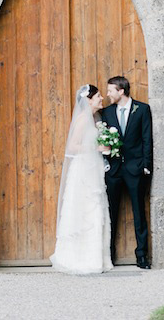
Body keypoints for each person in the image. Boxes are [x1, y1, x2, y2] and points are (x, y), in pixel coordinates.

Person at [50, 84, 112, 274]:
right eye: (98, 96)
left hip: (93, 169)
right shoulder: (83, 119)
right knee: (83, 210)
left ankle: (97, 258)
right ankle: (80, 258)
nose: (102, 98)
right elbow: (73, 147)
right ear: (88, 99)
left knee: (95, 208)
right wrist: (96, 148)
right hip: (83, 171)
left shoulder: (95, 119)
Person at [101, 75, 153, 269]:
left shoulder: (142, 110)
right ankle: (109, 256)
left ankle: (142, 256)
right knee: (110, 214)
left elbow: (147, 139)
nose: (108, 95)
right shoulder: (107, 113)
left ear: (121, 91)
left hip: (135, 169)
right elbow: (102, 140)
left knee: (139, 213)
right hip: (114, 171)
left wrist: (146, 165)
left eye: (110, 91)